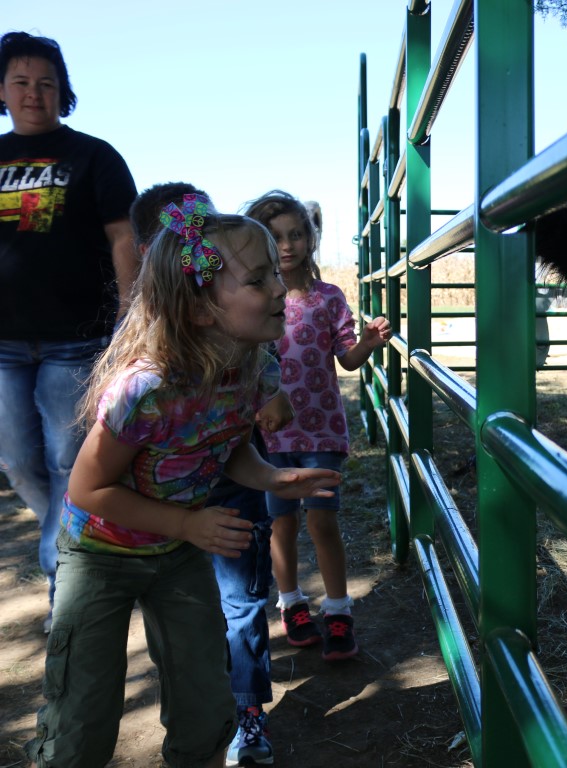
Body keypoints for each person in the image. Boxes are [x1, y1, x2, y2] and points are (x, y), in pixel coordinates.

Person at [24, 200, 340, 768]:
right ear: (199, 309)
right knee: (82, 714)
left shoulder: (251, 368)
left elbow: (224, 443)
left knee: (204, 702)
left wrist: (272, 476)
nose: (279, 288)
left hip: (177, 552)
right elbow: (87, 490)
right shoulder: (146, 388)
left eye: (275, 272)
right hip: (100, 552)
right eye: (258, 279)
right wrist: (187, 523)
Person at [130, 184, 292, 766]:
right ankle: (199, 718)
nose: (278, 289)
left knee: (242, 599)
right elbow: (93, 483)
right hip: (168, 508)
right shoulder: (143, 373)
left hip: (231, 482)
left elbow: (265, 403)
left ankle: (246, 712)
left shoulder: (252, 353)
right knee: (187, 618)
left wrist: (269, 459)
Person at [0, 31, 137, 633]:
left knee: (65, 460)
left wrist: (127, 317)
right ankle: (62, 530)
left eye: (47, 83)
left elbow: (125, 236)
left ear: (63, 91)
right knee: (17, 461)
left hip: (77, 339)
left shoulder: (94, 156)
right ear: (3, 91)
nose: (35, 93)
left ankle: (62, 575)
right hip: (3, 343)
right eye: (22, 82)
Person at [245, 190, 391, 661]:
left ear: (311, 239)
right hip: (270, 434)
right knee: (281, 523)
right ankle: (291, 604)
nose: (287, 245)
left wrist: (368, 341)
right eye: (275, 237)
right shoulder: (250, 299)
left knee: (322, 519)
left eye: (296, 235)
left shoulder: (328, 298)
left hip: (321, 429)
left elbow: (347, 358)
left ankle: (339, 609)